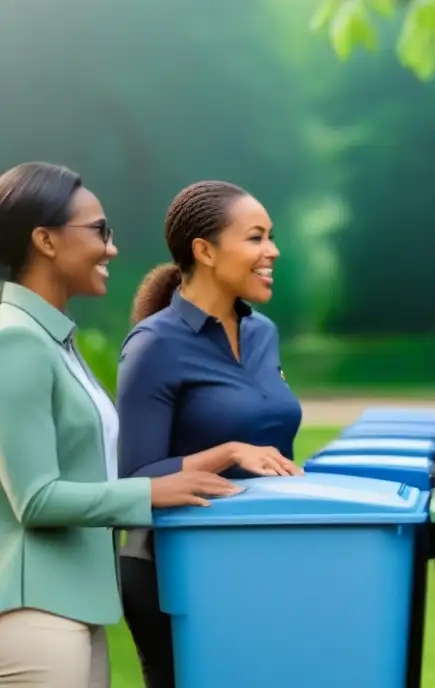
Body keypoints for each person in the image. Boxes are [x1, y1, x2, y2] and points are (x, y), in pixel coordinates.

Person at [0, 163, 237, 688]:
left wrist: (210, 461)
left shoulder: (52, 340)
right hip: (34, 611)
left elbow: (90, 471)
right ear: (45, 240)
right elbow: (35, 499)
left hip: (73, 608)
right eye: (99, 231)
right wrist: (150, 493)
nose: (111, 248)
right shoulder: (15, 340)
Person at [116, 180, 304, 688]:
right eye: (256, 237)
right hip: (175, 567)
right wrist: (226, 453)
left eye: (271, 237)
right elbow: (134, 478)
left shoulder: (263, 332)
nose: (273, 251)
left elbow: (272, 436)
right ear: (204, 250)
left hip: (259, 553)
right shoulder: (153, 345)